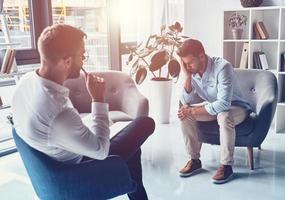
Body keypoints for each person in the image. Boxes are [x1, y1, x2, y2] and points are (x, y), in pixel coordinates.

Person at [11, 24, 155, 200]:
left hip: (57, 152)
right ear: (68, 61)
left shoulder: (25, 82)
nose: (83, 61)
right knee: (145, 124)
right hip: (79, 167)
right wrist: (98, 99)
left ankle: (137, 193)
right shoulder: (58, 113)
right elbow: (101, 151)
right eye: (82, 55)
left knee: (133, 151)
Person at [176, 38, 252, 184]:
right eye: (184, 64)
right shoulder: (191, 70)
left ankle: (226, 166)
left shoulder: (223, 67)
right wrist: (187, 77)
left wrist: (194, 111)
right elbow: (186, 101)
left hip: (236, 107)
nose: (187, 66)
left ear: (202, 56)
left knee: (224, 116)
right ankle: (194, 160)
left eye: (189, 62)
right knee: (184, 113)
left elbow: (223, 104)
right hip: (212, 107)